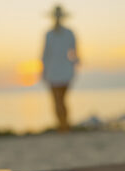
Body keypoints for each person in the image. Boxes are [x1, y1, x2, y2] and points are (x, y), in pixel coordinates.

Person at [42, 5, 79, 133]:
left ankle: (64, 125)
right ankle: (63, 125)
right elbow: (45, 55)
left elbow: (75, 53)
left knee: (61, 100)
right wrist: (43, 72)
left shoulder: (69, 33)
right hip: (52, 72)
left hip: (65, 72)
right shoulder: (48, 34)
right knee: (57, 100)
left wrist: (74, 68)